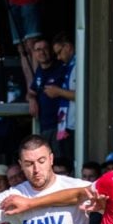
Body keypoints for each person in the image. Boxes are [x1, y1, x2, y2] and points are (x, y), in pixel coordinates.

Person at [43, 31, 76, 160]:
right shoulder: (67, 66)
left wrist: (58, 92)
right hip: (66, 124)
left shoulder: (79, 65)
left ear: (68, 47)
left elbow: (83, 95)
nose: (58, 57)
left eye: (59, 52)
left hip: (76, 125)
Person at [27, 38, 64, 150]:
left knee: (60, 164)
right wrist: (32, 99)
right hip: (44, 126)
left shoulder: (61, 68)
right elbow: (31, 92)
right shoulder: (39, 71)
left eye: (45, 48)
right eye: (38, 49)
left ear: (51, 50)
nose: (42, 52)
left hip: (61, 125)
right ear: (34, 53)